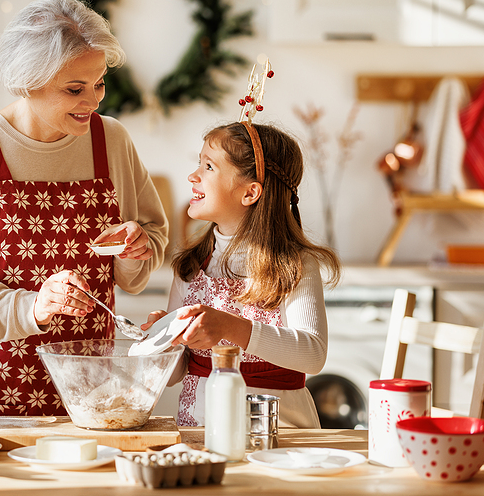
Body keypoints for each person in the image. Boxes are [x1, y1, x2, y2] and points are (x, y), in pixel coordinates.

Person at [0, 0, 169, 416]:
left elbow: (145, 250)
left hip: (81, 380)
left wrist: (134, 250)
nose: (94, 101)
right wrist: (31, 306)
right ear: (29, 81)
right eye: (75, 89)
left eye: (99, 83)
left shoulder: (111, 141)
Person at [145, 120, 340, 428]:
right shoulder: (191, 266)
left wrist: (229, 327)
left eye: (208, 167)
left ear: (250, 193)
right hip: (201, 431)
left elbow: (313, 354)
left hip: (282, 436)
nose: (193, 176)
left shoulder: (294, 264)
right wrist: (164, 340)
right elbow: (175, 375)